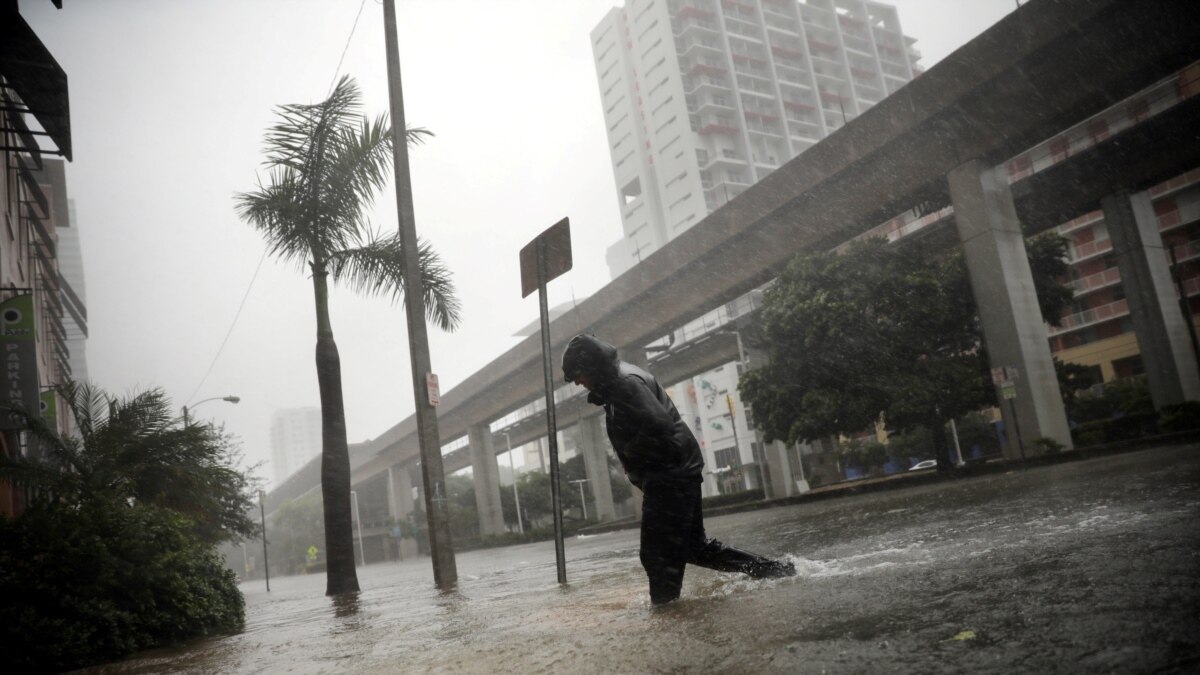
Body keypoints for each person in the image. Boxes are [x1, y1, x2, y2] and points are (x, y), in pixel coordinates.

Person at [561, 333, 795, 605]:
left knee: (656, 555)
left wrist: (634, 456)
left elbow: (658, 425)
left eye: (578, 374)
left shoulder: (624, 384)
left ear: (592, 366)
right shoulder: (618, 382)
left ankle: (666, 613)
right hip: (677, 470)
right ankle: (775, 571)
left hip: (669, 476)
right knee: (694, 548)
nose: (578, 382)